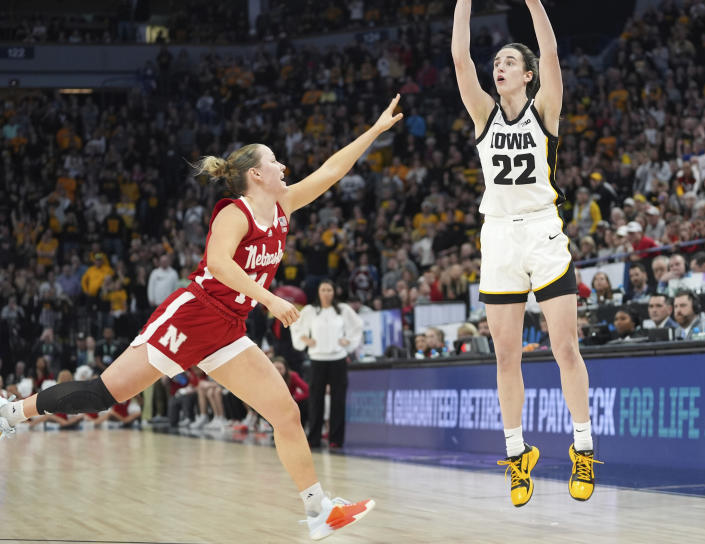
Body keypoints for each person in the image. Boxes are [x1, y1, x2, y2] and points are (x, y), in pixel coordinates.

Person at [0, 95, 405, 540]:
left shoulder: (282, 207)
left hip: (227, 331)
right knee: (102, 395)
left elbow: (331, 171)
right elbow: (219, 265)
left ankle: (318, 510)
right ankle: (13, 412)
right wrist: (268, 299)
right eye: (274, 160)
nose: (283, 166)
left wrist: (375, 131)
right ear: (256, 174)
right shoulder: (236, 211)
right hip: (190, 317)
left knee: (286, 412)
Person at [452, 0, 598, 507]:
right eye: (499, 63)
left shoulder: (546, 111)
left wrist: (534, 2)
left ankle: (582, 446)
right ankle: (518, 456)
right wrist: (465, 0)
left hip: (542, 231)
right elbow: (461, 59)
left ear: (528, 74)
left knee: (565, 348)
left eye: (510, 62)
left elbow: (555, 55)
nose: (499, 67)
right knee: (505, 356)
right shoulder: (484, 116)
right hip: (498, 239)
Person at [290, 279, 364, 449]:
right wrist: (304, 339)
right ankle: (314, 437)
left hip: (338, 359)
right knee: (316, 400)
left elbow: (358, 326)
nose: (326, 293)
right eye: (323, 290)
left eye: (329, 290)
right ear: (318, 292)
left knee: (338, 400)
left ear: (334, 292)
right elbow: (296, 327)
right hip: (317, 359)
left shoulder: (343, 310)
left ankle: (336, 439)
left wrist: (349, 341)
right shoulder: (310, 311)